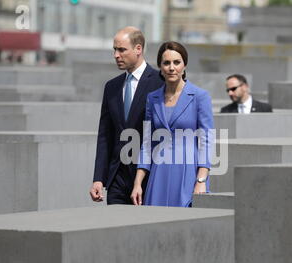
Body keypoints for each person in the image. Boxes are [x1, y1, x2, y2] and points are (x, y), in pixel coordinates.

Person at [130, 41, 214, 207]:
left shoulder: (199, 96)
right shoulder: (152, 98)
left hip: (188, 171)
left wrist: (201, 180)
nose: (171, 67)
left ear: (184, 65)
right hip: (159, 172)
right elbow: (147, 143)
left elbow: (207, 140)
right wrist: (138, 183)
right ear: (160, 67)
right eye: (166, 63)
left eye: (177, 62)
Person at [90, 27, 164, 204]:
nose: (116, 55)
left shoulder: (159, 82)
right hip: (117, 178)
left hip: (149, 176)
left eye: (122, 49)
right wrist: (99, 178)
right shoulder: (112, 87)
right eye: (114, 50)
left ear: (138, 49)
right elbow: (105, 135)